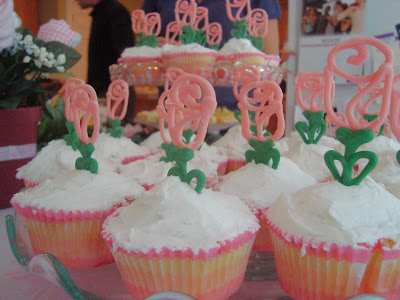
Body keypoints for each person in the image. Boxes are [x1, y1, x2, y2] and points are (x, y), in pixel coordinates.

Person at [142, 0, 282, 110]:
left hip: (237, 112)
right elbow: (144, 46)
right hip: (175, 108)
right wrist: (162, 48)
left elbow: (270, 63)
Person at [76, 0, 134, 96]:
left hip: (113, 90)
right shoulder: (101, 12)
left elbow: (125, 53)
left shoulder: (115, 12)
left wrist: (119, 91)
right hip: (103, 88)